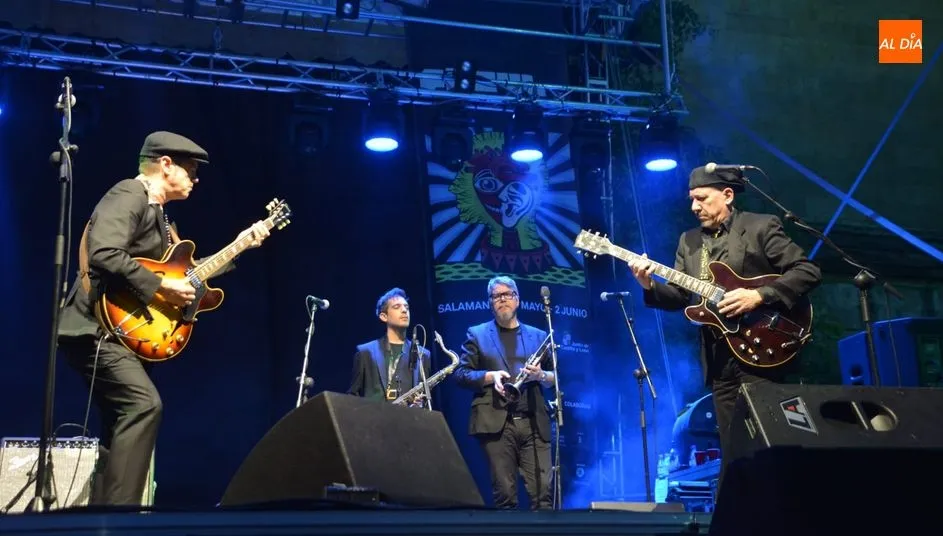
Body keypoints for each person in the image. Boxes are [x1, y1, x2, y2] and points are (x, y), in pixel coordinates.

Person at [56, 131, 271, 506]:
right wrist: (160, 289)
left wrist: (242, 244)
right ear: (165, 164)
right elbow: (104, 251)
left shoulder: (162, 220)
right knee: (143, 406)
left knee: (120, 425)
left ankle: (104, 514)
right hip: (96, 329)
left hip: (123, 336)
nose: (195, 178)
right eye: (190, 169)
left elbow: (182, 275)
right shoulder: (128, 194)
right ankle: (121, 518)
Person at [627, 165, 822, 487]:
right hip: (720, 357)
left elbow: (807, 271)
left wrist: (759, 295)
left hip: (765, 345)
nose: (694, 207)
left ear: (727, 195)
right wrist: (647, 285)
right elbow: (680, 297)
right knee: (733, 446)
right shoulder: (689, 242)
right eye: (691, 199)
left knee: (768, 437)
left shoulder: (759, 227)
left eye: (701, 198)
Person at [453, 276, 556, 510]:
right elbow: (460, 374)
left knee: (543, 498)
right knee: (505, 497)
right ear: (490, 303)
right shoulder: (477, 334)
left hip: (534, 423)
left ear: (517, 299)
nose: (503, 299)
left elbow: (557, 379)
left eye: (508, 294)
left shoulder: (540, 337)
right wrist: (490, 376)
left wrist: (540, 375)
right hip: (497, 424)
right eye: (496, 296)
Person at [348, 288, 432, 405]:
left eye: (406, 307)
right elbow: (353, 396)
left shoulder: (423, 354)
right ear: (383, 316)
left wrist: (420, 403)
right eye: (397, 307)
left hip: (408, 421)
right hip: (374, 421)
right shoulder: (365, 352)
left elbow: (425, 399)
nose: (404, 310)